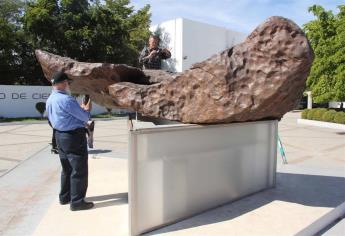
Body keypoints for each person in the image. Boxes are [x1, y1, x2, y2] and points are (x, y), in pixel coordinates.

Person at [46, 71, 94, 211]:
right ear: (61, 83)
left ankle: (65, 197)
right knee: (79, 170)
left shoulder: (51, 99)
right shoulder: (66, 100)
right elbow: (85, 116)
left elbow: (51, 117)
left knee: (66, 169)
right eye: (66, 82)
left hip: (59, 136)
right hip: (72, 137)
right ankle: (77, 202)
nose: (67, 84)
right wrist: (85, 108)